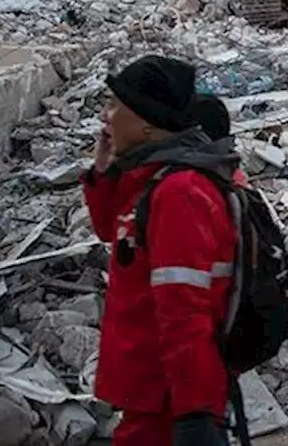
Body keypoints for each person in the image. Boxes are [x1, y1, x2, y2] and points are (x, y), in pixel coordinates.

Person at [80, 55, 240, 446]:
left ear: (148, 123)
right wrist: (103, 172)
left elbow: (186, 311)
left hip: (166, 394)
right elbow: (117, 236)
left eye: (116, 105)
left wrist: (195, 414)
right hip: (151, 391)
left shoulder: (178, 193)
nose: (105, 116)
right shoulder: (151, 177)